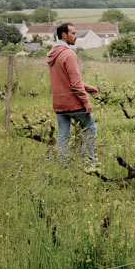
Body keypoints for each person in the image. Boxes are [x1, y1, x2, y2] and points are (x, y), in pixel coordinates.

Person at [47, 23, 99, 168]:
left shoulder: (53, 54)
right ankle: (88, 163)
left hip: (58, 103)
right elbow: (75, 84)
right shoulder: (69, 54)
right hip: (72, 102)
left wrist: (88, 88)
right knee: (90, 129)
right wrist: (86, 103)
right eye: (73, 33)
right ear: (64, 35)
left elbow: (65, 81)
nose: (76, 36)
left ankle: (63, 166)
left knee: (63, 136)